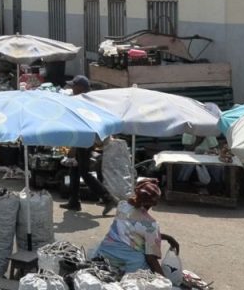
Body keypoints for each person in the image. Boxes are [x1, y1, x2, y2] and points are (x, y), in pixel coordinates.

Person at [94, 181, 180, 275]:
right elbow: (151, 258)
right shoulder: (151, 224)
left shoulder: (122, 205)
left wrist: (167, 237)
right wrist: (164, 281)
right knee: (144, 258)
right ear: (154, 203)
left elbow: (133, 230)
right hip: (129, 264)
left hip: (103, 254)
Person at [61, 75, 118, 215]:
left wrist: (74, 147)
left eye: (73, 86)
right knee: (74, 169)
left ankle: (108, 198)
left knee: (84, 172)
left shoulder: (86, 102)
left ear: (80, 88)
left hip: (86, 139)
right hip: (83, 138)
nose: (71, 88)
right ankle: (74, 201)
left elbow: (85, 126)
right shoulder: (83, 100)